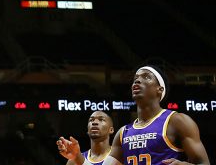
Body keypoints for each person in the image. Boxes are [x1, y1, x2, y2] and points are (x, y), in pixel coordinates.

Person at [57, 66, 210, 165]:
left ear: (159, 89)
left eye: (146, 77)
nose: (137, 80)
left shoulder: (177, 121)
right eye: (136, 77)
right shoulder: (123, 133)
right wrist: (76, 157)